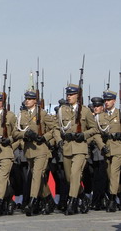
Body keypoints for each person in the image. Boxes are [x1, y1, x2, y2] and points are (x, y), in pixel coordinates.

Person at [55, 84, 98, 215]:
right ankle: (82, 196)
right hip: (67, 148)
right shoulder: (62, 110)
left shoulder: (84, 111)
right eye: (67, 94)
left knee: (75, 174)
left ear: (77, 96)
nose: (69, 97)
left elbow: (94, 128)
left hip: (80, 148)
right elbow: (56, 128)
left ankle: (72, 202)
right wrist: (59, 141)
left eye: (71, 95)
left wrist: (83, 135)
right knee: (69, 178)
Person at [13, 90, 56, 216]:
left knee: (36, 176)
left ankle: (33, 202)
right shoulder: (22, 115)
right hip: (29, 151)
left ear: (35, 101)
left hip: (41, 149)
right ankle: (49, 199)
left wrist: (45, 137)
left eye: (30, 99)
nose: (27, 100)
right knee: (38, 178)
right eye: (26, 98)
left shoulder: (42, 114)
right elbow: (15, 132)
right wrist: (25, 134)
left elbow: (54, 128)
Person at [96, 90, 121, 212]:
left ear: (114, 101)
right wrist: (101, 145)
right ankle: (118, 195)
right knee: (111, 175)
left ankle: (112, 200)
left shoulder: (119, 114)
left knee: (114, 174)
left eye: (109, 100)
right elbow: (96, 134)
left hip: (118, 148)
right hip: (106, 149)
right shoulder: (100, 116)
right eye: (105, 100)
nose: (106, 102)